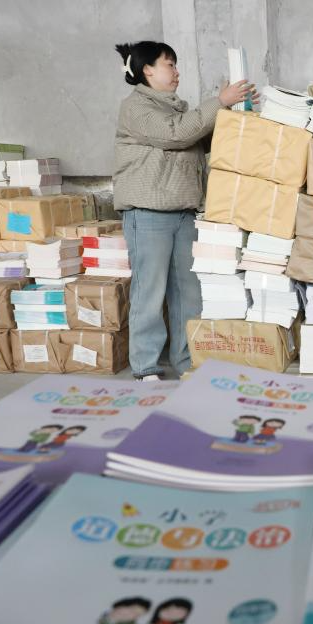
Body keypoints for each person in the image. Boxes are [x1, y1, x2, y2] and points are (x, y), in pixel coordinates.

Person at [113, 41, 258, 381]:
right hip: (148, 214)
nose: (177, 72)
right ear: (147, 70)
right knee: (150, 292)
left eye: (176, 65)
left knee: (188, 293)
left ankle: (185, 360)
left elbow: (198, 138)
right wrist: (220, 102)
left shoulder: (178, 110)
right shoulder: (136, 108)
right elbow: (176, 135)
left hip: (184, 212)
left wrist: (237, 112)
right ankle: (146, 366)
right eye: (170, 65)